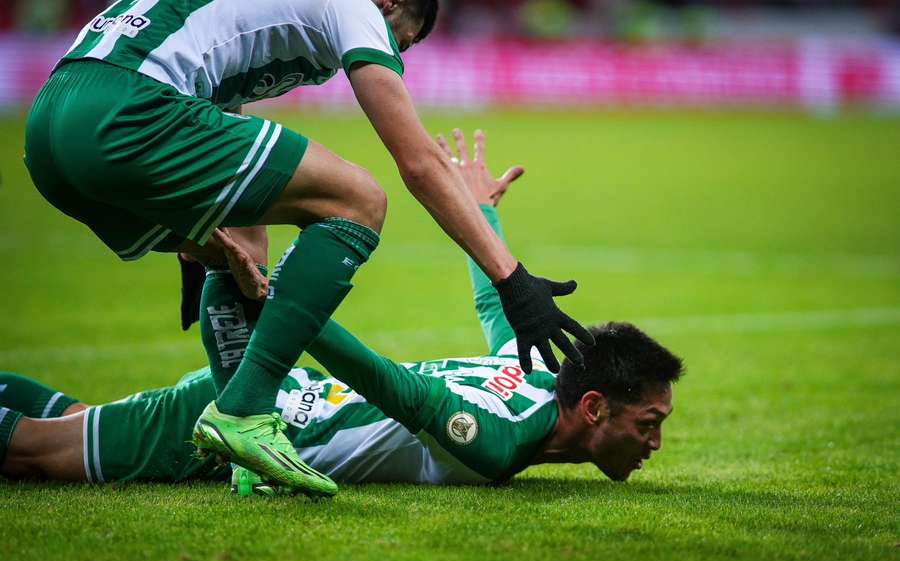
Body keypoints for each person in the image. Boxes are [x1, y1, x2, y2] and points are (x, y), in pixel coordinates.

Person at [22, 0, 593, 496]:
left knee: (240, 242)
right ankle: (244, 411)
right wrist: (512, 281)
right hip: (127, 108)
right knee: (358, 200)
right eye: (403, 41)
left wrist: (196, 235)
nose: (397, 54)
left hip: (52, 124)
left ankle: (246, 445)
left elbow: (214, 86)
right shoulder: (357, 8)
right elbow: (417, 163)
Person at [1, 130, 683, 492]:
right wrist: (281, 302)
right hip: (253, 430)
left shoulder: (538, 375)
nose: (655, 444)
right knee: (36, 454)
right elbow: (391, 384)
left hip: (268, 400)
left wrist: (482, 216)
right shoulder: (500, 444)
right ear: (593, 406)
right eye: (647, 424)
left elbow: (497, 306)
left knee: (68, 423)